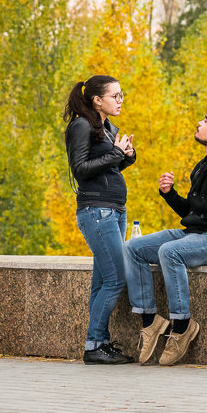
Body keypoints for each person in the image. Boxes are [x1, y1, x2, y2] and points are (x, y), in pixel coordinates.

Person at [123, 100, 207, 365]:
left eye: (205, 120)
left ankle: (182, 327)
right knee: (132, 249)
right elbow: (191, 213)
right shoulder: (204, 165)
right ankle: (150, 320)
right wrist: (169, 195)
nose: (199, 123)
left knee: (169, 252)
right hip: (192, 235)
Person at [64, 75, 137, 364]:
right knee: (116, 279)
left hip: (114, 210)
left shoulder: (106, 128)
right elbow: (80, 169)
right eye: (115, 96)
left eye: (122, 95)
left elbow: (109, 168)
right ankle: (94, 346)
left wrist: (126, 156)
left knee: (102, 282)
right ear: (97, 100)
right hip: (97, 211)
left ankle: (100, 343)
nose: (120, 101)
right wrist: (115, 153)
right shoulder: (82, 125)